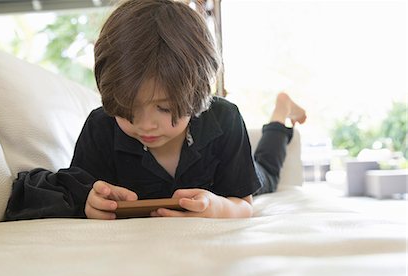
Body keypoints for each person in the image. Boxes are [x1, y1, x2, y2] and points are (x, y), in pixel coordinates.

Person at [69, 0, 307, 220]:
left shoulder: (225, 117)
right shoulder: (100, 126)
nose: (146, 125)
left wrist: (218, 207)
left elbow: (243, 204)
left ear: (196, 93)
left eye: (164, 108)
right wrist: (91, 202)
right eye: (127, 110)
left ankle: (280, 111)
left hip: (231, 175)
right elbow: (77, 193)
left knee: (267, 174)